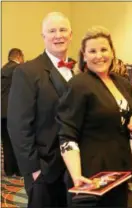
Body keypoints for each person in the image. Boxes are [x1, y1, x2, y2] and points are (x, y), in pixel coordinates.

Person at [56, 26, 132, 207]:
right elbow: (67, 134)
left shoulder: (123, 83)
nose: (99, 55)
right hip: (91, 175)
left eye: (104, 49)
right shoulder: (79, 84)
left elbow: (125, 122)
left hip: (119, 171)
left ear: (112, 52)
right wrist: (76, 175)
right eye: (92, 51)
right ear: (84, 56)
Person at [7, 12, 77, 208]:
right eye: (52, 31)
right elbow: (18, 126)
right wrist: (34, 170)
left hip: (75, 166)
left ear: (71, 35)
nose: (58, 35)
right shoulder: (27, 72)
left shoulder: (78, 71)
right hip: (45, 169)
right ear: (43, 36)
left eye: (63, 30)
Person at [1, 48, 24, 176]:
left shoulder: (2, 70)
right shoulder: (19, 70)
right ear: (19, 56)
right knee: (18, 141)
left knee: (6, 142)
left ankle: (9, 170)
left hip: (1, 113)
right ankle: (19, 170)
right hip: (13, 112)